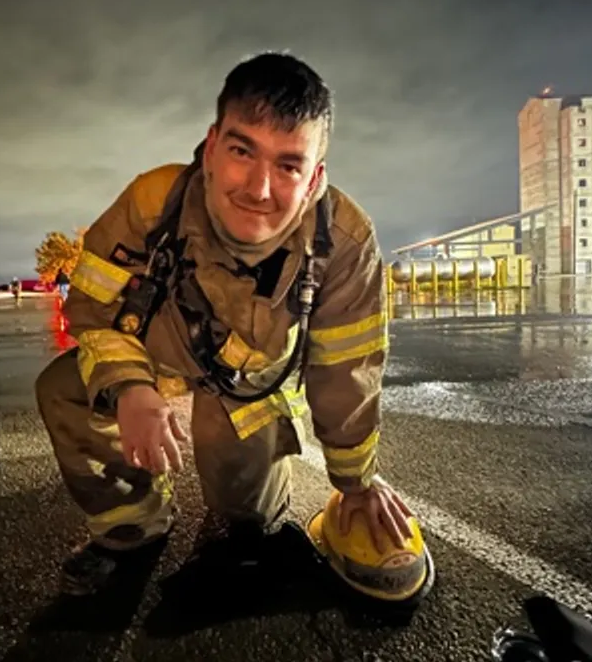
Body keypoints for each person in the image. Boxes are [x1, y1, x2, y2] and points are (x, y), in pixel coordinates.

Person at [35, 51, 413, 597]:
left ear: (314, 179)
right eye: (242, 151)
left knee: (247, 521)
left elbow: (347, 372)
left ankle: (251, 510)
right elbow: (92, 311)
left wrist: (356, 484)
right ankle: (132, 525)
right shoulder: (153, 202)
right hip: (160, 356)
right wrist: (129, 386)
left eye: (289, 166)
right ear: (211, 147)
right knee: (64, 389)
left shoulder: (344, 243)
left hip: (251, 386)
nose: (259, 189)